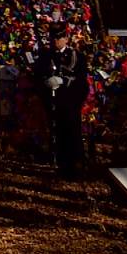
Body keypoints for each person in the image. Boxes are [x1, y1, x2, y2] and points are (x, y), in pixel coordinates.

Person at [35, 24, 89, 176]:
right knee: (56, 134)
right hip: (53, 103)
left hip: (70, 103)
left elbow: (81, 82)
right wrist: (46, 83)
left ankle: (75, 164)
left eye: (59, 38)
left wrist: (64, 81)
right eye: (53, 38)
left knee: (72, 133)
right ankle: (58, 163)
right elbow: (38, 77)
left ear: (66, 38)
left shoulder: (77, 57)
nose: (56, 41)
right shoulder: (45, 57)